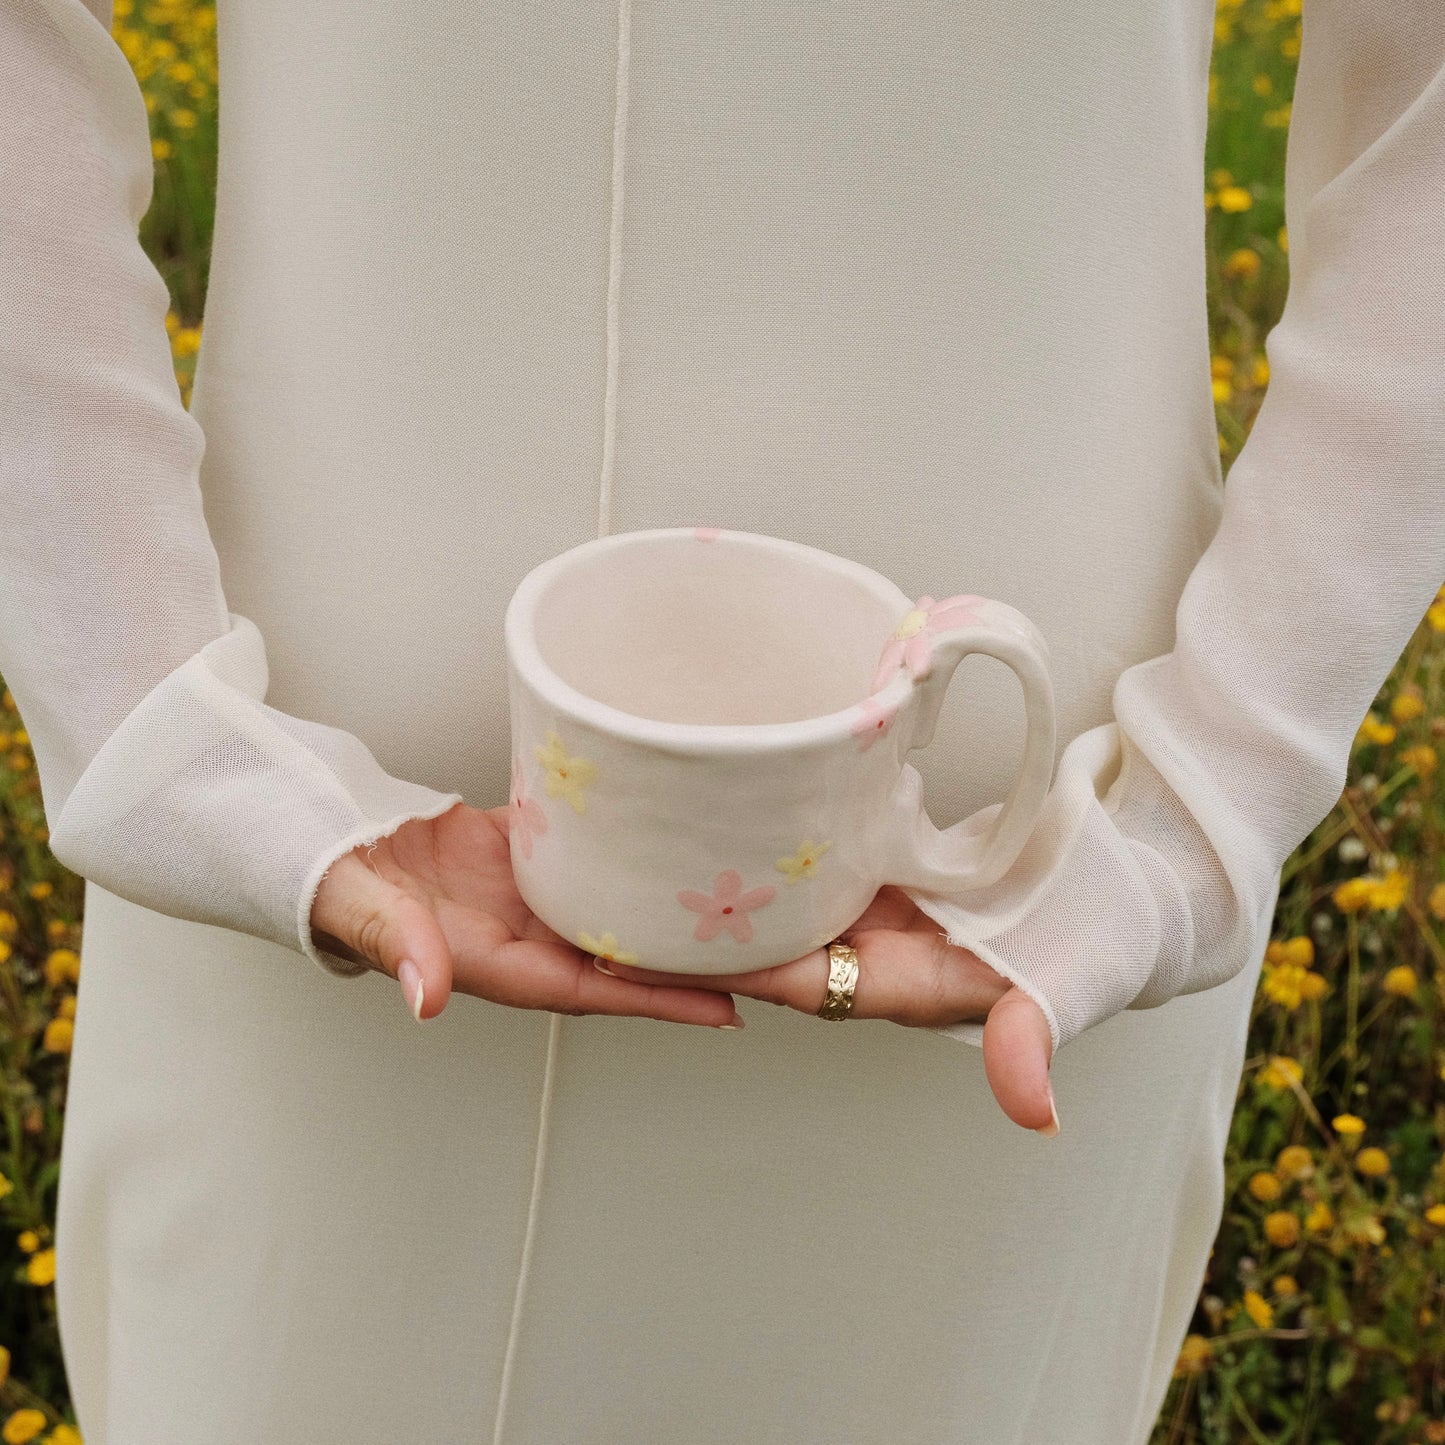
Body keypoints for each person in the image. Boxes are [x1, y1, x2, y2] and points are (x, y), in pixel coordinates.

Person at [2, 0, 1441, 1439]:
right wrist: (153, 710)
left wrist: (1203, 789)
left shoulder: (1104, 854)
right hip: (303, 880)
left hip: (1023, 898)